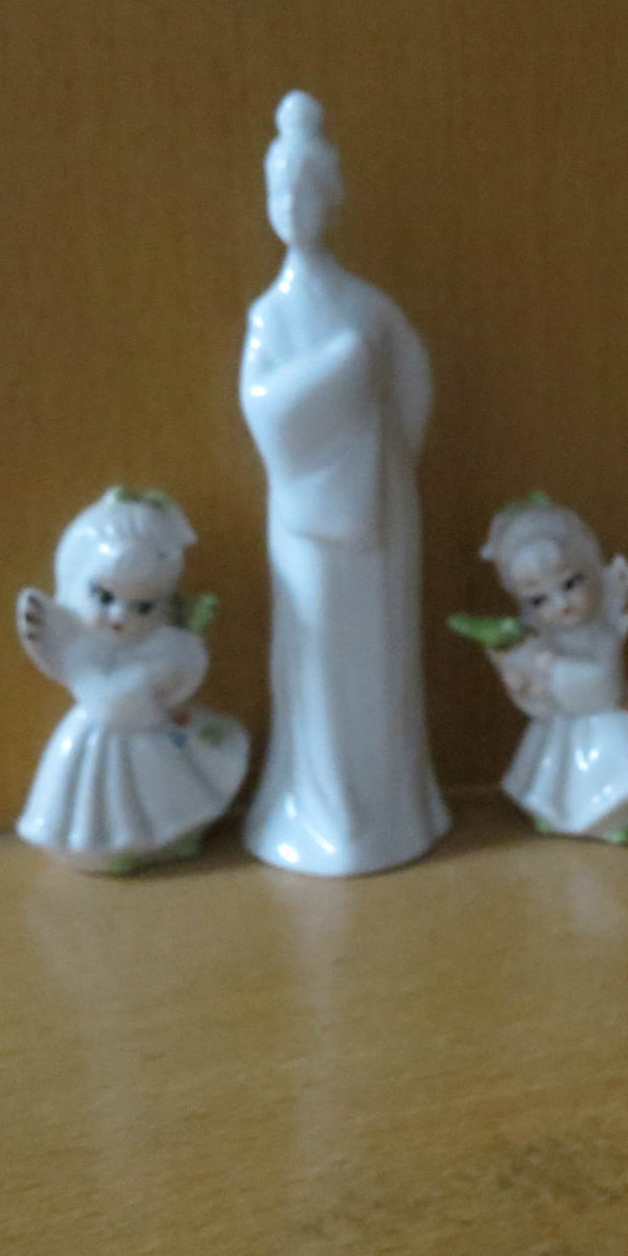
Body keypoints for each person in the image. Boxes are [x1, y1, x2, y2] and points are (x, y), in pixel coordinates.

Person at [239, 91, 448, 875]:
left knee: (382, 652)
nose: (294, 207)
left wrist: (383, 460)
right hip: (305, 517)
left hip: (380, 505)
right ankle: (326, 809)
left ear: (334, 197)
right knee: (320, 654)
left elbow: (416, 389)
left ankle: (393, 806)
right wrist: (338, 373)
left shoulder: (372, 308)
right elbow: (263, 411)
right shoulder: (270, 317)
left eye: (308, 191)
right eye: (280, 192)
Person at [15, 489, 248, 873]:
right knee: (103, 800)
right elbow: (103, 700)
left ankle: (171, 833)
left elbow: (183, 672)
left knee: (173, 786)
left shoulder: (158, 642)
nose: (121, 615)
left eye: (144, 606)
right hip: (101, 740)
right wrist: (142, 678)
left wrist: (180, 660)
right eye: (104, 596)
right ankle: (104, 844)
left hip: (154, 730)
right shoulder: (83, 650)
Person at [477, 496, 628, 842]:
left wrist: (557, 670)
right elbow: (535, 688)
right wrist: (523, 683)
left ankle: (619, 817)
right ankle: (555, 815)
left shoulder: (601, 634)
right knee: (553, 774)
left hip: (603, 718)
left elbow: (606, 685)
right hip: (564, 722)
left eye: (570, 584)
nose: (562, 604)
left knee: (619, 769)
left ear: (591, 572)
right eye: (540, 599)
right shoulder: (542, 639)